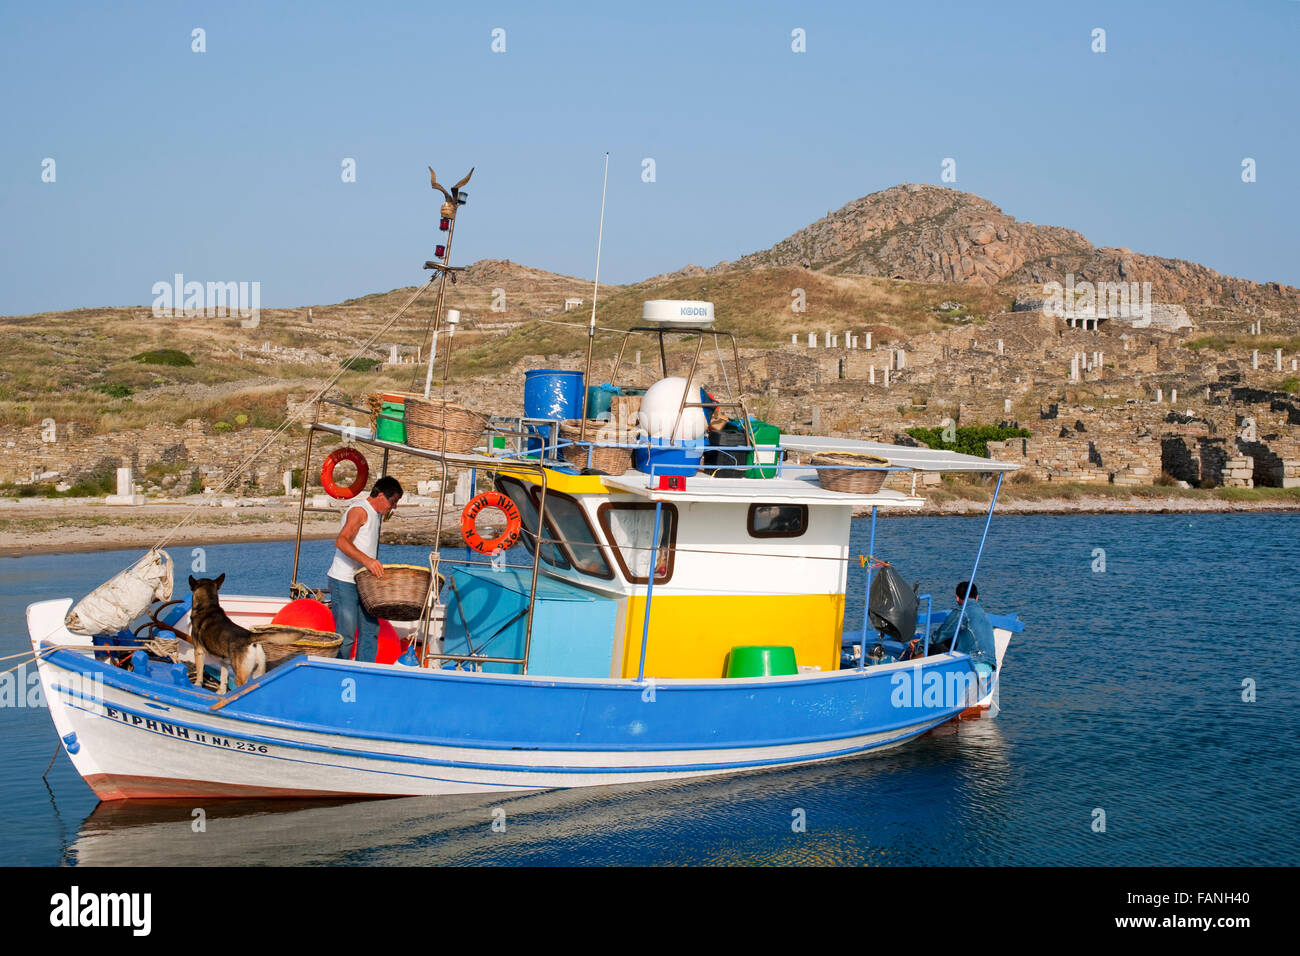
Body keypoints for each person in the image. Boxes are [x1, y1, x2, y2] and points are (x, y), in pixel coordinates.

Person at [327, 476, 402, 663]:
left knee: (370, 629)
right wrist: (368, 561)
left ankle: (364, 672)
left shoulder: (376, 514)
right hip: (344, 580)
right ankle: (339, 672)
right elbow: (341, 541)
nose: (393, 507)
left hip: (363, 583)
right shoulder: (360, 511)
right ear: (381, 495)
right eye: (392, 502)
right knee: (346, 633)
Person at [931, 580, 996, 664]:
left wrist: (919, 644)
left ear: (957, 598)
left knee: (935, 647)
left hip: (974, 663)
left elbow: (939, 637)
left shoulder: (961, 612)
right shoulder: (983, 614)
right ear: (977, 597)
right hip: (990, 666)